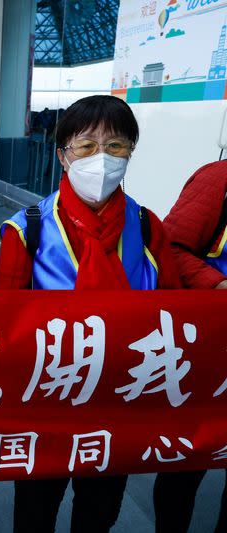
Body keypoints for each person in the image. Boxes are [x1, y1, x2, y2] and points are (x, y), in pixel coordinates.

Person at [0, 95, 181, 532]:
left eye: (116, 146)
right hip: (46, 406)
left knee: (99, 513)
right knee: (35, 513)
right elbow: (3, 321)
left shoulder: (149, 226)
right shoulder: (30, 229)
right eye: (87, 146)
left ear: (131, 153)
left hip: (119, 405)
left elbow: (176, 310)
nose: (103, 157)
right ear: (63, 156)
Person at [156, 161, 227, 532]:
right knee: (187, 461)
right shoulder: (219, 179)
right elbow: (171, 249)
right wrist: (217, 286)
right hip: (211, 353)